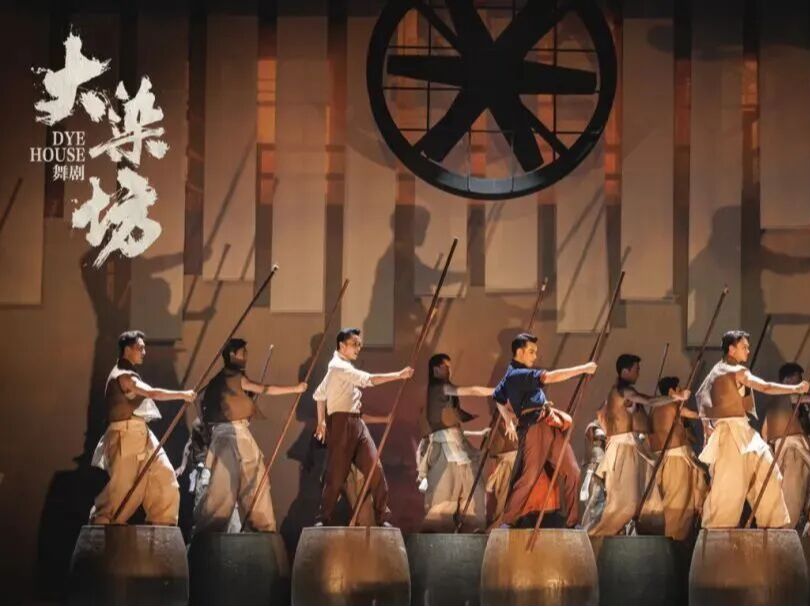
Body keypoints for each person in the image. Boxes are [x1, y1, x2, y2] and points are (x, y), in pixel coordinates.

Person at [697, 330, 808, 528]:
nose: (748, 351)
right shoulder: (738, 371)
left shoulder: (716, 370)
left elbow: (700, 396)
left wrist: (706, 426)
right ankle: (717, 532)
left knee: (768, 473)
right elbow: (765, 387)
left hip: (744, 432)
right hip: (731, 434)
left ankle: (772, 527)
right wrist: (796, 388)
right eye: (744, 347)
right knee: (731, 486)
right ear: (732, 349)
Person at [194, 338, 306, 533]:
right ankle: (217, 531)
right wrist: (295, 389)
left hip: (235, 435)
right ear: (232, 354)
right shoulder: (232, 377)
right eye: (242, 352)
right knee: (224, 487)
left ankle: (261, 529)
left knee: (254, 482)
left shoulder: (222, 380)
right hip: (229, 436)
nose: (246, 356)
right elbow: (265, 388)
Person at [90, 330, 196, 525]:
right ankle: (101, 528)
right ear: (127, 349)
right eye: (140, 348)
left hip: (143, 434)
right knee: (124, 491)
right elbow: (152, 393)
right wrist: (183, 395)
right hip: (125, 436)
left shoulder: (130, 375)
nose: (144, 352)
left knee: (165, 479)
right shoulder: (123, 377)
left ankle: (161, 529)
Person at [493, 332, 597, 528]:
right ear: (519, 352)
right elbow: (549, 377)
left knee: (573, 471)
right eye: (531, 351)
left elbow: (497, 396)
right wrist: (583, 368)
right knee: (530, 476)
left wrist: (507, 419)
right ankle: (508, 519)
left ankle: (572, 522)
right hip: (534, 427)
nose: (535, 356)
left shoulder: (513, 375)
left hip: (549, 422)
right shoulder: (516, 375)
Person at [313, 328, 413, 526]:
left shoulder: (339, 368)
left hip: (357, 423)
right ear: (342, 345)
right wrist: (399, 375)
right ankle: (323, 517)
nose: (358, 348)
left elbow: (319, 394)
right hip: (341, 423)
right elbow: (368, 380)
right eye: (354, 344)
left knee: (375, 468)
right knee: (336, 474)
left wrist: (321, 420)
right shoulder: (338, 367)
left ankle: (382, 514)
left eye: (359, 344)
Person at [587, 354, 689, 536]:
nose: (638, 373)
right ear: (625, 371)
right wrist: (675, 397)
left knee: (650, 500)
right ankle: (596, 536)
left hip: (634, 448)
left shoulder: (624, 393)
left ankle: (648, 538)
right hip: (623, 449)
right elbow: (649, 400)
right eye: (636, 369)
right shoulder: (621, 391)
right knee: (624, 504)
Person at [416, 353, 493, 532]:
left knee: (472, 492)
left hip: (458, 448)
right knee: (444, 497)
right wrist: (495, 390)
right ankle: (437, 535)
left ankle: (472, 529)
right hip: (444, 451)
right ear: (436, 369)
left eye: (450, 367)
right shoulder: (439, 388)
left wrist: (477, 431)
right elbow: (471, 391)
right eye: (446, 367)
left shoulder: (445, 394)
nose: (449, 371)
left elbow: (455, 425)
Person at [642, 376, 707, 540]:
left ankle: (668, 539)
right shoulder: (673, 405)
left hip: (660, 462)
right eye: (678, 389)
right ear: (672, 391)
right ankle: (673, 541)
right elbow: (695, 414)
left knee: (668, 502)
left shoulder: (654, 409)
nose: (681, 391)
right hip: (675, 461)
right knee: (678, 504)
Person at [761, 362, 810, 530]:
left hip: (797, 451)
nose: (801, 383)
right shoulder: (781, 398)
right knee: (791, 497)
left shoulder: (794, 402)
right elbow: (765, 433)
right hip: (792, 452)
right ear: (787, 381)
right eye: (797, 380)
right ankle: (784, 531)